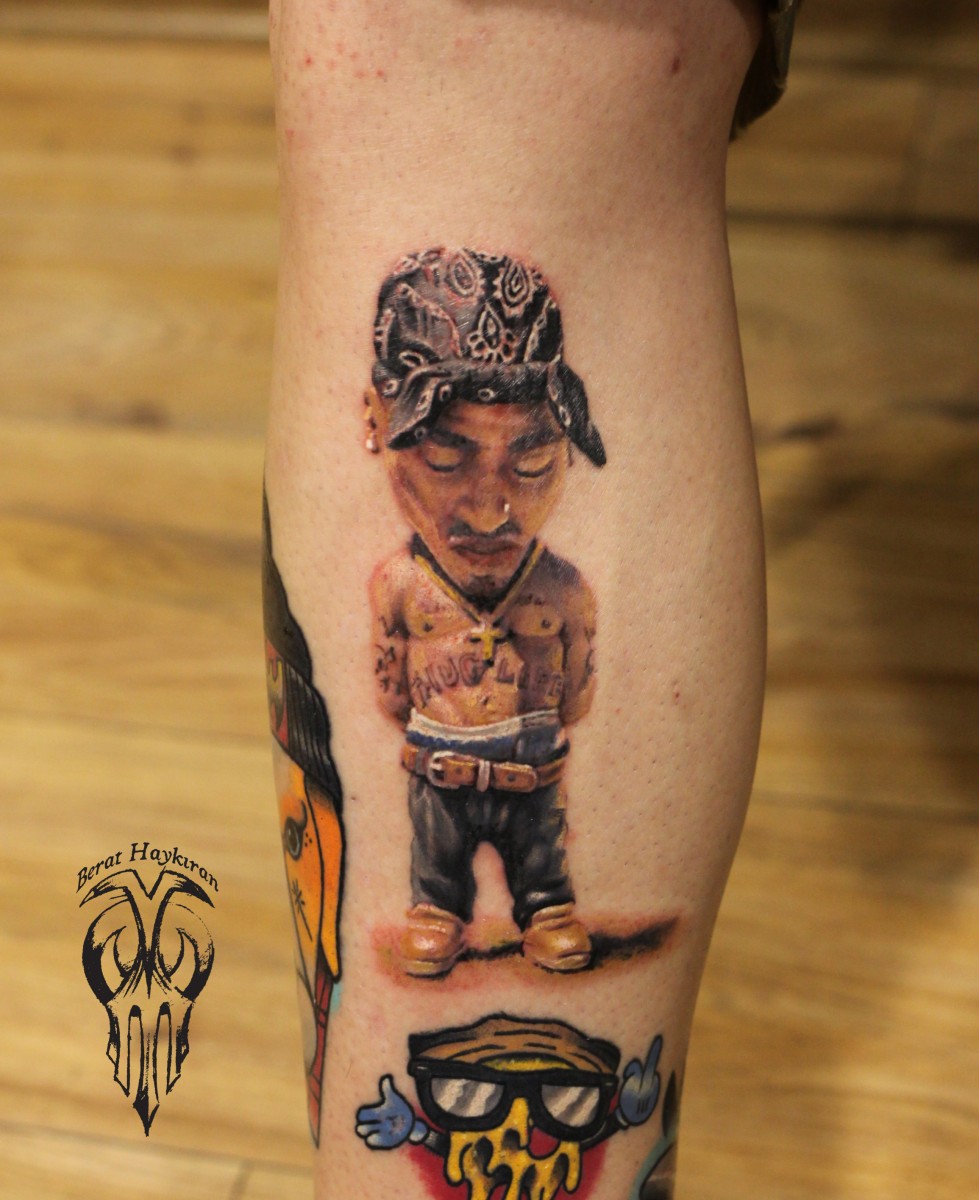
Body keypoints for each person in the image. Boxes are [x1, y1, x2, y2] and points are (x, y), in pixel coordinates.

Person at [263, 0, 801, 1193]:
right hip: (441, 768)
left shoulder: (556, 586)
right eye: (446, 455)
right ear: (379, 425)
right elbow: (386, 673)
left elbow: (583, 662)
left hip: (529, 769)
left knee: (554, 68)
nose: (489, 503)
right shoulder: (402, 584)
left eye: (532, 460)